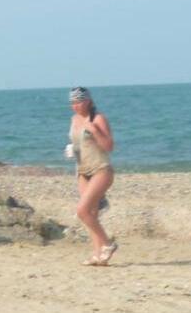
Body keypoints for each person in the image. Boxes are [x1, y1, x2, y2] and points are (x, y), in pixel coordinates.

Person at [68, 86, 118, 266]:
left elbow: (109, 146)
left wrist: (95, 131)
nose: (75, 106)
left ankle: (107, 244)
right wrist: (72, 151)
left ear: (88, 101)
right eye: (72, 102)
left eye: (79, 102)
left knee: (82, 211)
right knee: (92, 214)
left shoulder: (98, 119)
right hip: (82, 171)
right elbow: (79, 143)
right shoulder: (74, 119)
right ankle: (98, 255)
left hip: (101, 170)